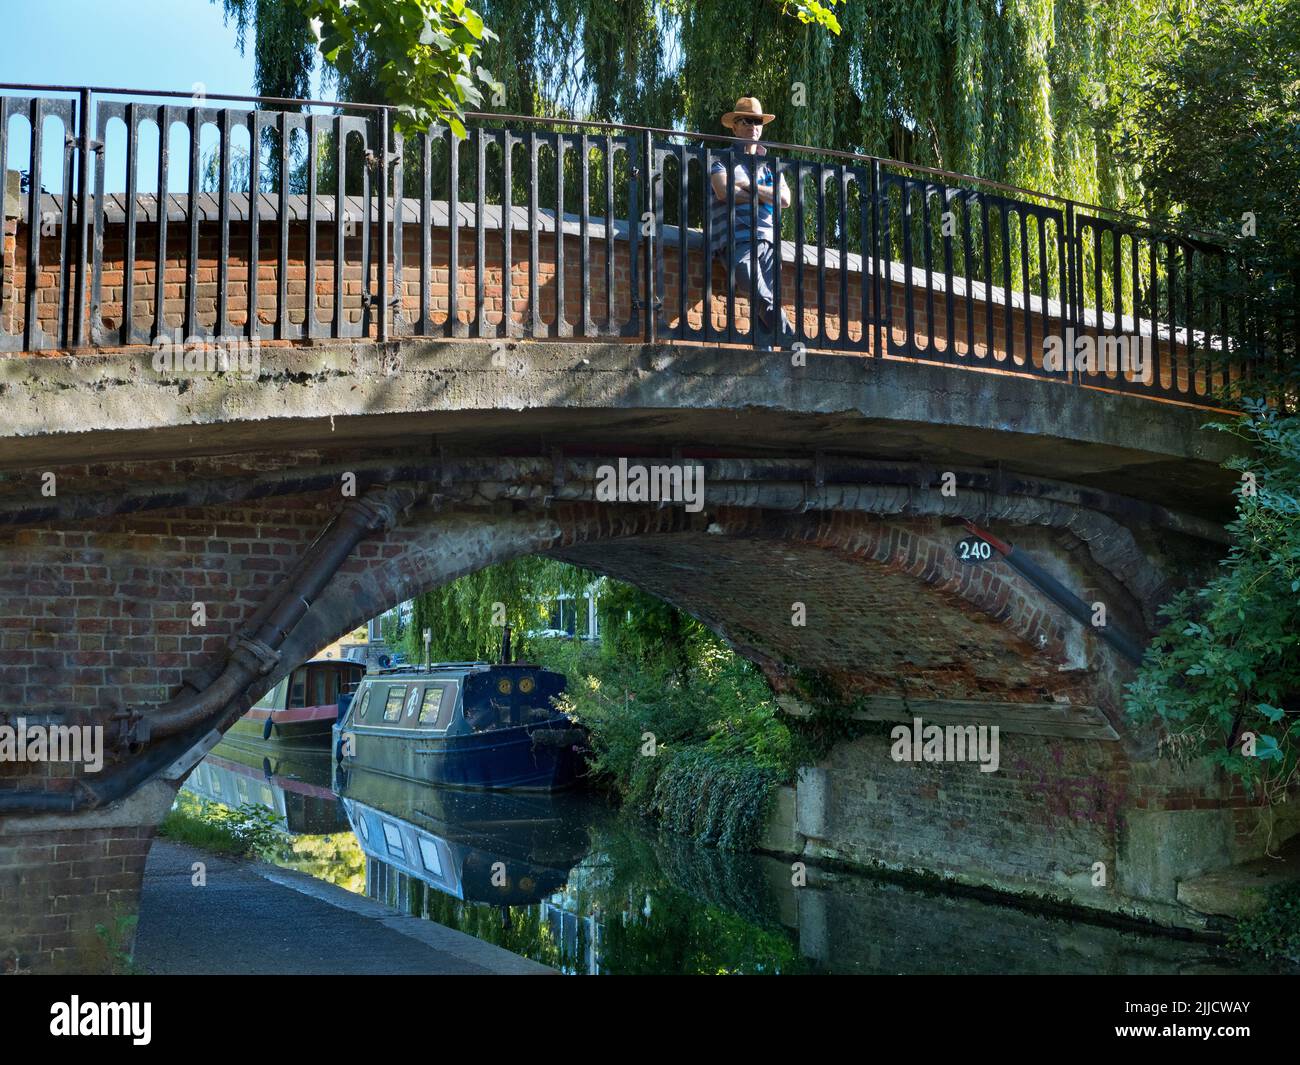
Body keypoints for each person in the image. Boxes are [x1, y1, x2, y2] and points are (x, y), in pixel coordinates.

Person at [710, 96, 795, 348]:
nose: (753, 126)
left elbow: (785, 199)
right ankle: (793, 342)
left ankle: (765, 361)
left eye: (757, 121)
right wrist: (763, 196)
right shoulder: (720, 160)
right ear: (734, 126)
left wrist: (748, 186)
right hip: (737, 241)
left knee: (762, 310)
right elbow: (724, 191)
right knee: (762, 297)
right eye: (746, 121)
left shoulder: (770, 167)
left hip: (769, 244)